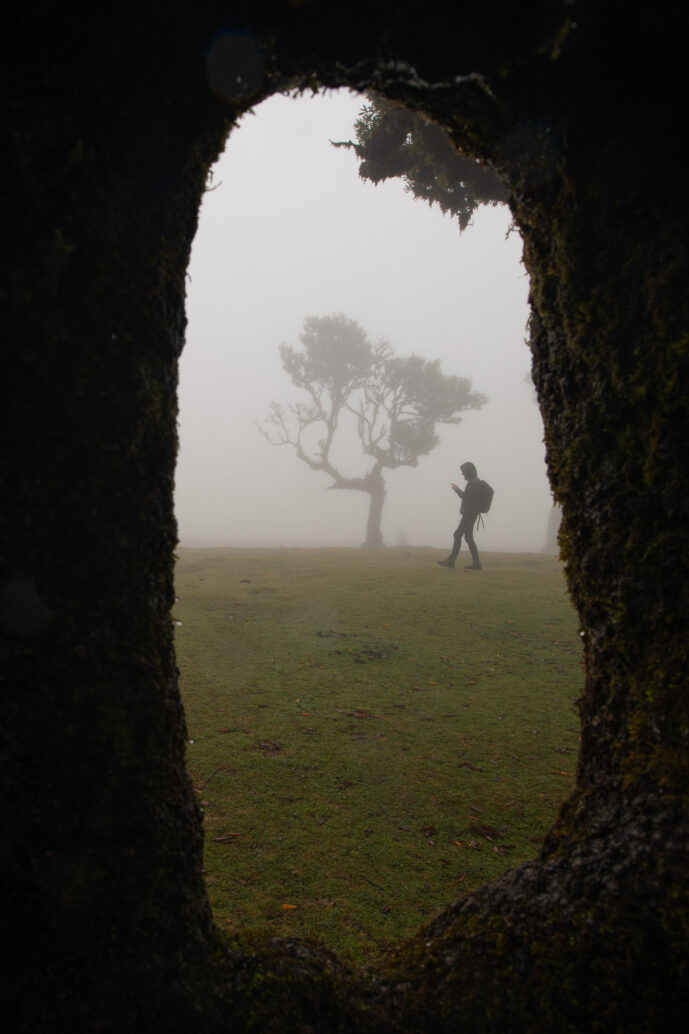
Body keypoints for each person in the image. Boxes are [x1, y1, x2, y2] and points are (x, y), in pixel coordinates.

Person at [438, 461, 483, 570]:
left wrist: (457, 490)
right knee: (468, 537)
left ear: (468, 471)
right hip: (472, 513)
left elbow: (466, 497)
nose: (462, 474)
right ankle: (476, 563)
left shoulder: (473, 483)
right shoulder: (475, 482)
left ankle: (451, 561)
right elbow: (469, 497)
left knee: (457, 534)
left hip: (469, 514)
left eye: (463, 472)